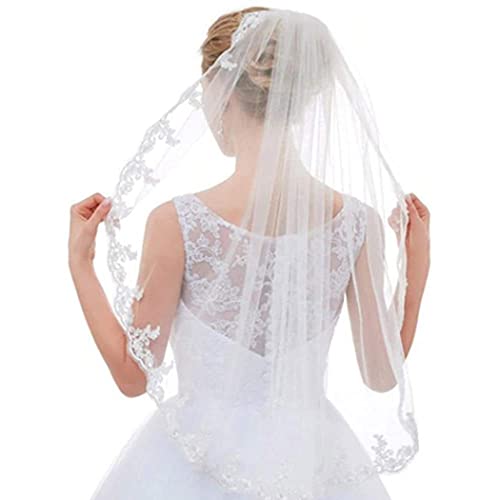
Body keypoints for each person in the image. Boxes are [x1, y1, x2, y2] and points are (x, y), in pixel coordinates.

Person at [68, 7, 430, 499]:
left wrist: (80, 266)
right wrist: (415, 271)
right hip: (310, 462)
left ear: (220, 91)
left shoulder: (177, 223)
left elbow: (134, 377)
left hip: (196, 463)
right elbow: (381, 375)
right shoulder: (357, 224)